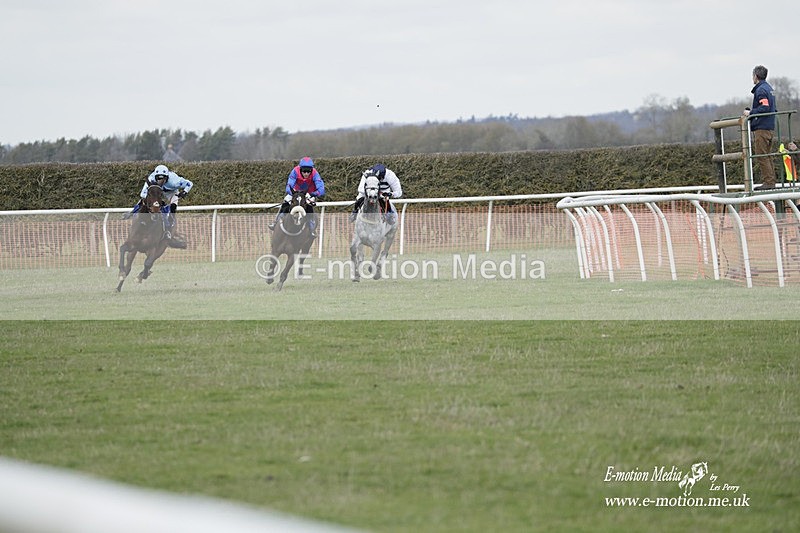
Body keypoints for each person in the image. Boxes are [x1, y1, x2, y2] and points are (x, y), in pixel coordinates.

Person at [125, 164, 193, 240]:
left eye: (163, 178)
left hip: (171, 193)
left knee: (172, 207)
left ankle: (168, 229)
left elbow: (189, 183)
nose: (161, 181)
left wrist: (184, 192)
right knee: (143, 200)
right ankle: (132, 212)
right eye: (159, 178)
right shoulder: (151, 178)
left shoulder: (175, 181)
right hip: (157, 192)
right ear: (155, 177)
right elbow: (143, 194)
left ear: (167, 177)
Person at [268, 156, 325, 238]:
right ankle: (275, 222)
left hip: (308, 194)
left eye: (308, 171)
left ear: (311, 170)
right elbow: (288, 186)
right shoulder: (295, 171)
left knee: (309, 206)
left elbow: (321, 190)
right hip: (295, 193)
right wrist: (294, 193)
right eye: (304, 171)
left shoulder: (315, 173)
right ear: (300, 169)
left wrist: (312, 194)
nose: (306, 173)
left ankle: (311, 229)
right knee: (286, 202)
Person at [743, 65, 776, 190]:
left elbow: (765, 107)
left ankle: (769, 182)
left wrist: (750, 113)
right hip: (770, 126)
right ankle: (771, 181)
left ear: (756, 76)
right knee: (767, 155)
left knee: (761, 155)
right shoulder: (769, 88)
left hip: (762, 128)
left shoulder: (761, 90)